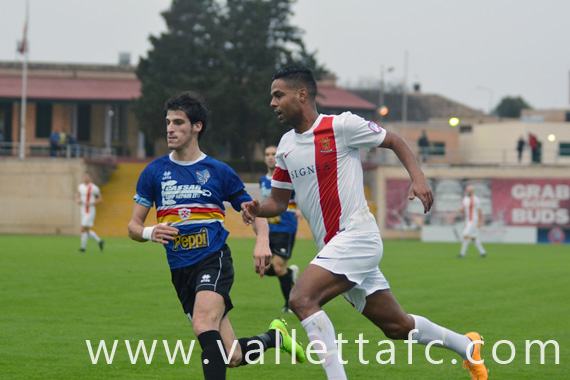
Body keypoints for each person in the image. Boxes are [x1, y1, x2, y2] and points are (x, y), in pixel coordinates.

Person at [242, 66, 487, 380]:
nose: (272, 103)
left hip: (357, 236)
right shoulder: (286, 146)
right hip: (335, 249)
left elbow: (394, 140)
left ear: (302, 95)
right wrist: (257, 208)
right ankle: (467, 346)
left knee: (301, 299)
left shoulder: (342, 125)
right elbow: (277, 202)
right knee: (396, 326)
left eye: (278, 95)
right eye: (271, 97)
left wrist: (419, 179)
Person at [127, 91, 305, 380]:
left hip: (213, 259)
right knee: (231, 355)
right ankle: (274, 338)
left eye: (178, 122)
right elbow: (133, 226)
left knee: (202, 323)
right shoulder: (154, 172)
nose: (170, 128)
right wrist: (149, 231)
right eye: (168, 122)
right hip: (180, 269)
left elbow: (254, 212)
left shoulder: (218, 171)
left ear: (197, 126)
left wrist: (262, 241)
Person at [260, 145, 301, 313]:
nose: (270, 157)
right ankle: (290, 274)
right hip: (269, 230)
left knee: (278, 266)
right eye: (267, 154)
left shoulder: (288, 176)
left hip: (286, 227)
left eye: (273, 154)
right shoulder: (263, 180)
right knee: (265, 267)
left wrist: (301, 208)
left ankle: (290, 304)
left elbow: (302, 192)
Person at [453, 184, 487, 258]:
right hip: (468, 220)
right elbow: (462, 208)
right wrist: (455, 214)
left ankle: (462, 253)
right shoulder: (465, 199)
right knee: (473, 237)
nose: (468, 191)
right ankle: (482, 252)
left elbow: (479, 210)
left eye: (470, 190)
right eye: (467, 190)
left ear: (472, 191)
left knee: (465, 234)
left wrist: (480, 221)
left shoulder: (475, 199)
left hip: (473, 220)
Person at [76, 171, 104, 252]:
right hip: (83, 210)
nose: (86, 178)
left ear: (90, 178)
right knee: (87, 230)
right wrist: (78, 200)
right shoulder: (80, 187)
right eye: (84, 176)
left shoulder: (94, 188)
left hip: (90, 211)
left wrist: (92, 203)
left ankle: (83, 248)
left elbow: (100, 199)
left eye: (87, 177)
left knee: (83, 228)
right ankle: (100, 241)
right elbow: (78, 195)